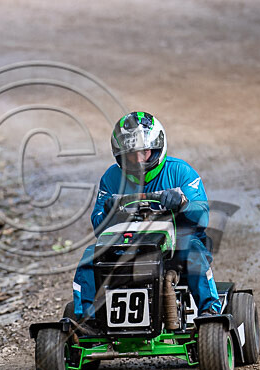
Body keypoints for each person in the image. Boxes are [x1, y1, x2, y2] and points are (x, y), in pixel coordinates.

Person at [72, 111, 221, 324]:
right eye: (131, 155)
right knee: (90, 256)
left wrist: (182, 203)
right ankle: (86, 321)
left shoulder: (180, 172)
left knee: (194, 251)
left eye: (144, 152)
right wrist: (108, 211)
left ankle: (210, 311)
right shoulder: (112, 178)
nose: (139, 160)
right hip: (127, 244)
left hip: (175, 246)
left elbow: (203, 216)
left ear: (157, 148)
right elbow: (98, 226)